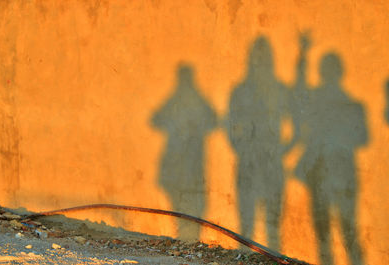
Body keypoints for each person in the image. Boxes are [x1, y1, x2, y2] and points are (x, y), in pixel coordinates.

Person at [295, 53, 366, 265]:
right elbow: (363, 138)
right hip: (338, 173)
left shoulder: (344, 104)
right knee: (345, 231)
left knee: (329, 233)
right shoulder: (353, 105)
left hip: (329, 173)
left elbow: (297, 98)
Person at [226, 36, 290, 250]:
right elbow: (230, 124)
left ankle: (268, 255)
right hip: (249, 161)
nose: (261, 60)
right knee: (247, 221)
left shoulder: (280, 89)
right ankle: (246, 255)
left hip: (271, 163)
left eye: (264, 56)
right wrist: (240, 149)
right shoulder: (241, 90)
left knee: (273, 224)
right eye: (257, 56)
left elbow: (300, 127)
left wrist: (282, 151)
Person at [152, 64, 217, 240]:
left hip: (192, 162)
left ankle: (190, 238)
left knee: (193, 201)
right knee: (180, 199)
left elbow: (213, 120)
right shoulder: (176, 99)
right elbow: (155, 119)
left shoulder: (196, 99)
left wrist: (194, 129)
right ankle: (184, 237)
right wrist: (176, 127)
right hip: (177, 163)